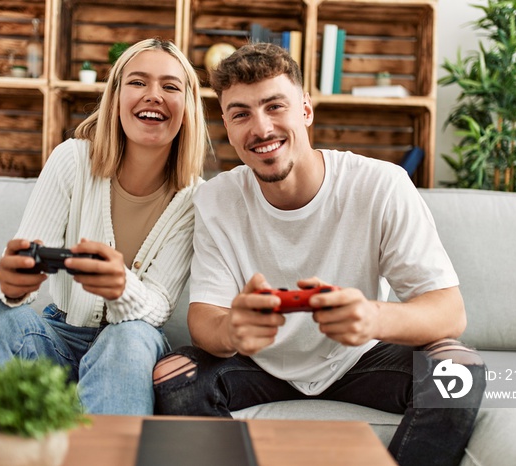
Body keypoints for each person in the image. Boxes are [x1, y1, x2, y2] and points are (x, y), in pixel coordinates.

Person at [152, 42, 486, 465]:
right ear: (226, 125)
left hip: (358, 359)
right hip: (257, 364)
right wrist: (232, 330)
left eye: (275, 107)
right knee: (172, 376)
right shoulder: (216, 198)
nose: (261, 128)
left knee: (458, 370)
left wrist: (372, 318)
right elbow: (204, 319)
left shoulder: (381, 185)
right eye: (241, 114)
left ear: (306, 110)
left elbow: (449, 312)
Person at [0, 38, 209, 415]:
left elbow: (158, 308)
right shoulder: (71, 160)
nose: (154, 95)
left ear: (188, 107)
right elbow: (25, 260)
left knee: (132, 337)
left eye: (170, 86)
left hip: (127, 344)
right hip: (57, 333)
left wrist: (121, 287)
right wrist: (10, 284)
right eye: (137, 82)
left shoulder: (195, 200)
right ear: (115, 96)